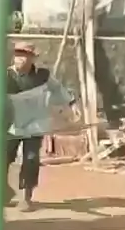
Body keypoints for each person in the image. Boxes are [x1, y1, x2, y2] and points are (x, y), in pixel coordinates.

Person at [6, 41, 80, 211]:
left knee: (31, 159)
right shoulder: (5, 75)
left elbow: (59, 89)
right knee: (2, 158)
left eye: (25, 55)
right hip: (11, 124)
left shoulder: (43, 76)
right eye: (18, 54)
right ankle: (3, 191)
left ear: (33, 58)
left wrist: (72, 104)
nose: (20, 58)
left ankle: (26, 197)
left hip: (35, 123)